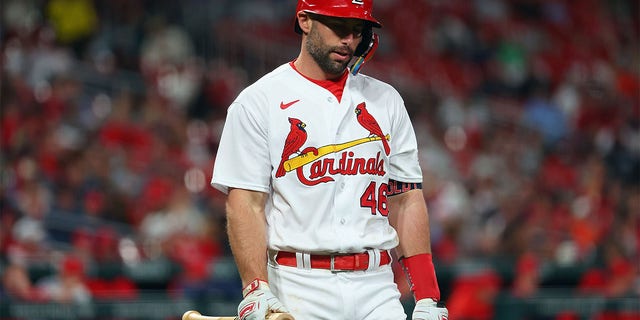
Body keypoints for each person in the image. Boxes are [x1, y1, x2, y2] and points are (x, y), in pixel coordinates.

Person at [211, 0, 449, 319]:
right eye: (338, 27)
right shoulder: (259, 101)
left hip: (376, 287)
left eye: (357, 30)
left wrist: (427, 296)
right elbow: (246, 202)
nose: (348, 40)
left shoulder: (387, 100)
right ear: (305, 21)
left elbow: (406, 198)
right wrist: (255, 287)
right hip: (297, 284)